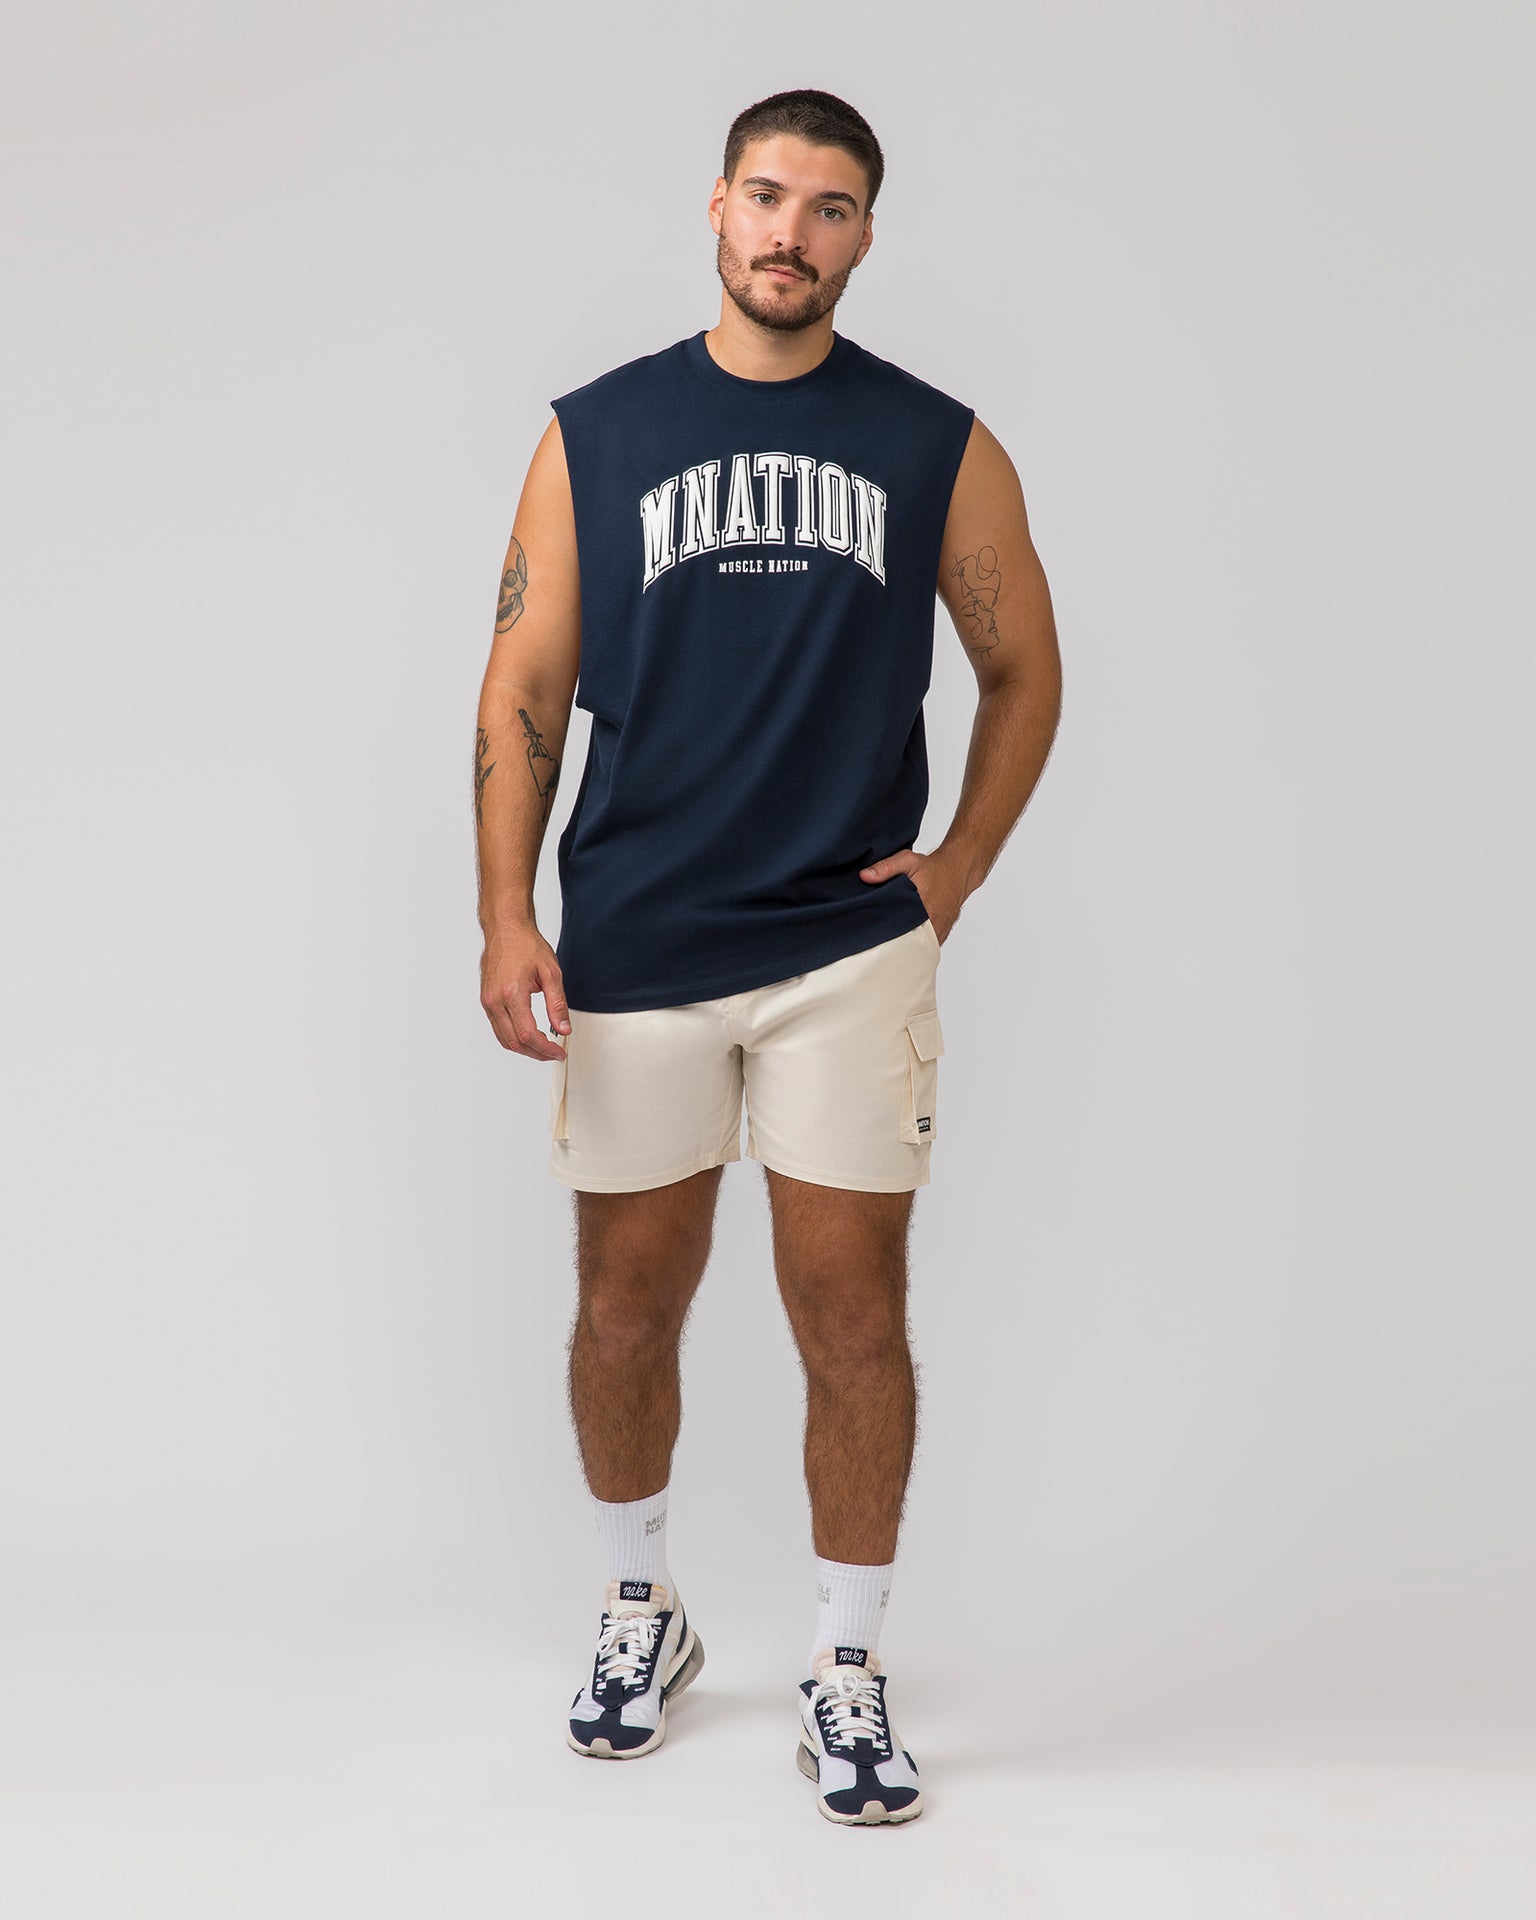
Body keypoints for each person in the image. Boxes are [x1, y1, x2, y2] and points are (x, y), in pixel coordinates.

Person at [473, 87, 1061, 1826]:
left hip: (844, 950)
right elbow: (521, 684)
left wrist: (955, 871)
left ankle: (847, 1662)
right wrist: (506, 911)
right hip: (639, 935)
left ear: (865, 235)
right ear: (716, 209)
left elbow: (1025, 669)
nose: (789, 233)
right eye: (765, 196)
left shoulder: (937, 443)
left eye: (828, 207)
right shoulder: (596, 432)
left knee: (852, 1314)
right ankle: (638, 1609)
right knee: (623, 1306)